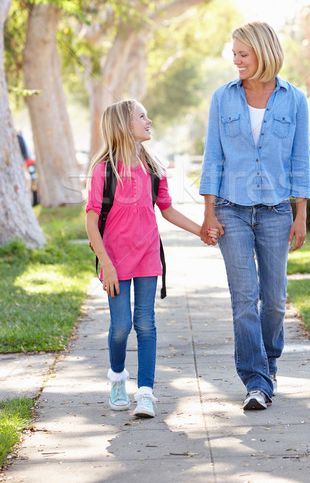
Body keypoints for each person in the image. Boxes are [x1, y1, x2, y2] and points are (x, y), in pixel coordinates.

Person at [199, 21, 310, 411]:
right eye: (234, 54)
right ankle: (256, 380)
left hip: (278, 211)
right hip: (231, 209)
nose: (236, 61)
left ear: (263, 53)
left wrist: (301, 214)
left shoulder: (294, 99)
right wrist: (208, 213)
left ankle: (269, 365)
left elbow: (300, 159)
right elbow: (212, 158)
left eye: (242, 54)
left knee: (276, 300)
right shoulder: (223, 98)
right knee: (244, 300)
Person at [86, 99, 218, 418]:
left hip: (147, 256)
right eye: (142, 117)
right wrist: (105, 264)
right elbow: (91, 221)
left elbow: (167, 209)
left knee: (145, 323)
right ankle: (117, 377)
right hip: (114, 262)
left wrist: (200, 229)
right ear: (123, 126)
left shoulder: (153, 167)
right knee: (120, 327)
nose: (149, 121)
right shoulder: (104, 169)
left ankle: (145, 392)